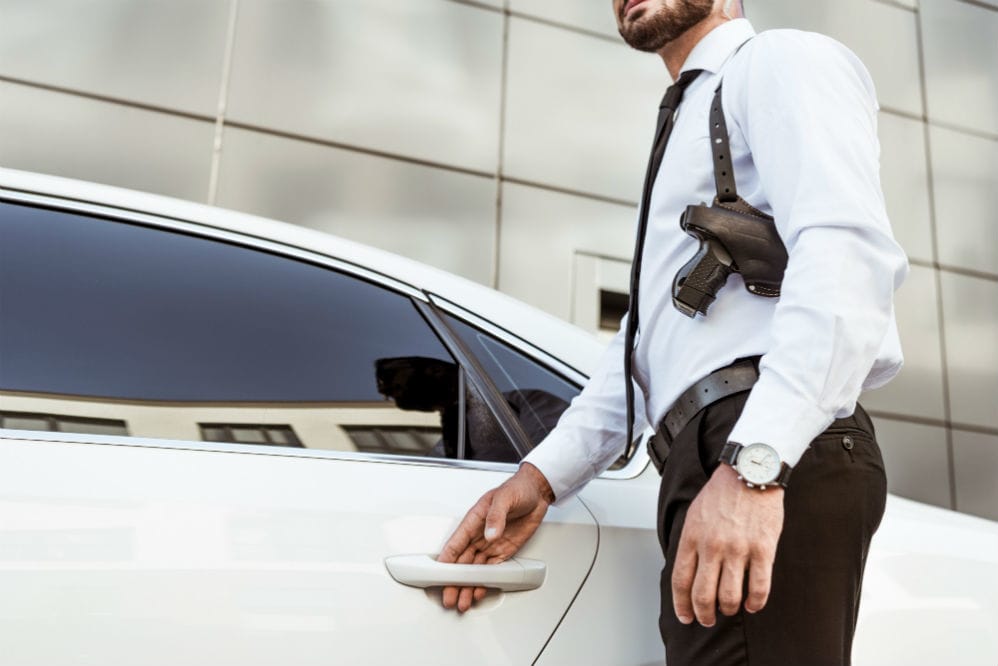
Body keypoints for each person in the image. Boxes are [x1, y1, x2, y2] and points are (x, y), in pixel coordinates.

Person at [438, 0, 908, 663]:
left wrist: (755, 467)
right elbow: (642, 348)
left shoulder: (778, 61)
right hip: (703, 451)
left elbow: (847, 257)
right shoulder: (687, 119)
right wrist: (542, 477)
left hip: (761, 440)